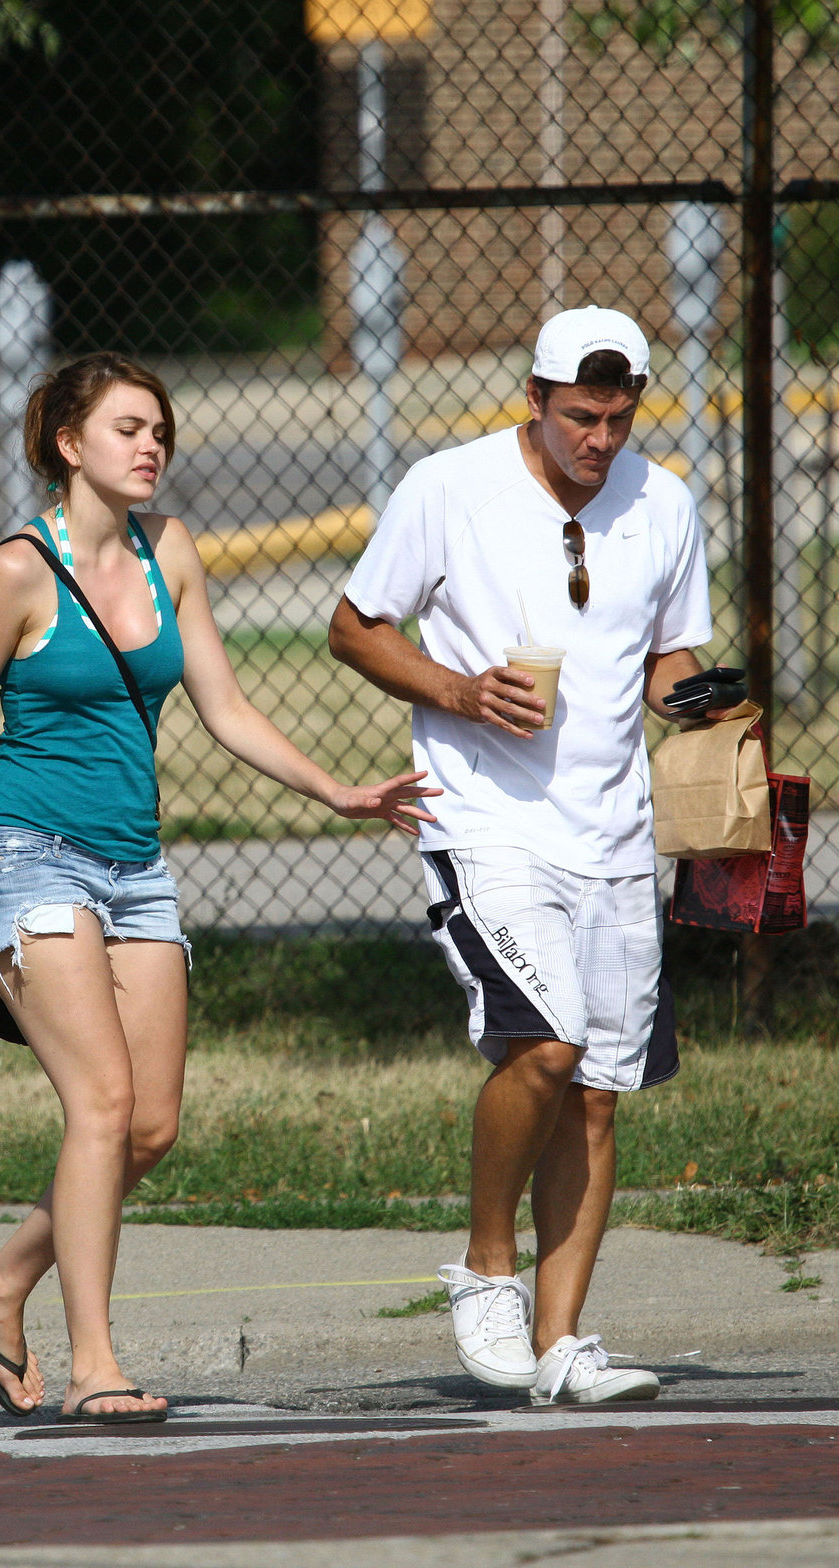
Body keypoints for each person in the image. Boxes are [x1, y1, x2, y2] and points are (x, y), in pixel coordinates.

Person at [0, 351, 438, 1425]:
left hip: (135, 869)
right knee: (100, 1105)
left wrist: (336, 790)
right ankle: (94, 1364)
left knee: (149, 1126)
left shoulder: (171, 551)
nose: (151, 445)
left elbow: (224, 707)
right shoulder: (14, 573)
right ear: (69, 444)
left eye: (159, 430)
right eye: (127, 428)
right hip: (25, 855)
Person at [328, 305, 745, 1406]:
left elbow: (665, 658)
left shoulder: (663, 501)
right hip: (486, 819)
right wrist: (459, 691)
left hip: (613, 834)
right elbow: (354, 627)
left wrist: (702, 701)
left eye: (617, 418)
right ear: (533, 398)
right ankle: (484, 1268)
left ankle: (561, 1343)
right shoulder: (448, 487)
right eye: (577, 418)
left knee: (597, 1091)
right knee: (547, 1045)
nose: (598, 440)